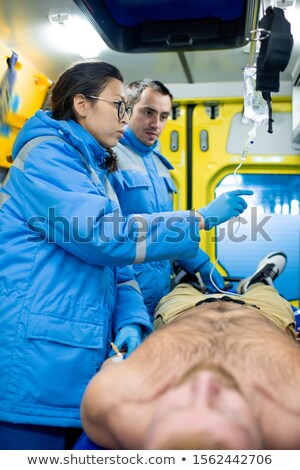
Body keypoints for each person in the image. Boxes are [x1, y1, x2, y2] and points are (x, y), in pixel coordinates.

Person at [0, 61, 252, 450]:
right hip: (38, 360)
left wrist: (131, 320)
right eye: (121, 106)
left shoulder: (96, 169)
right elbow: (103, 236)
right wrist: (198, 219)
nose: (127, 116)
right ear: (82, 105)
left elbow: (117, 266)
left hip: (77, 348)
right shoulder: (45, 158)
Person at [80, 252, 300, 450]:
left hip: (182, 312)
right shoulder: (291, 417)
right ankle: (260, 281)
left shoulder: (110, 404)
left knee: (182, 288)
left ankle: (187, 279)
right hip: (265, 316)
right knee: (267, 294)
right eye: (227, 413)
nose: (205, 381)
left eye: (176, 409)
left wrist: (123, 356)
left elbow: (116, 361)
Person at [110, 79, 226, 317]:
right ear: (127, 109)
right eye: (148, 112)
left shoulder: (159, 165)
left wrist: (194, 258)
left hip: (159, 291)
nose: (156, 124)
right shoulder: (111, 156)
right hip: (122, 293)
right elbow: (110, 233)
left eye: (163, 116)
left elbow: (164, 227)